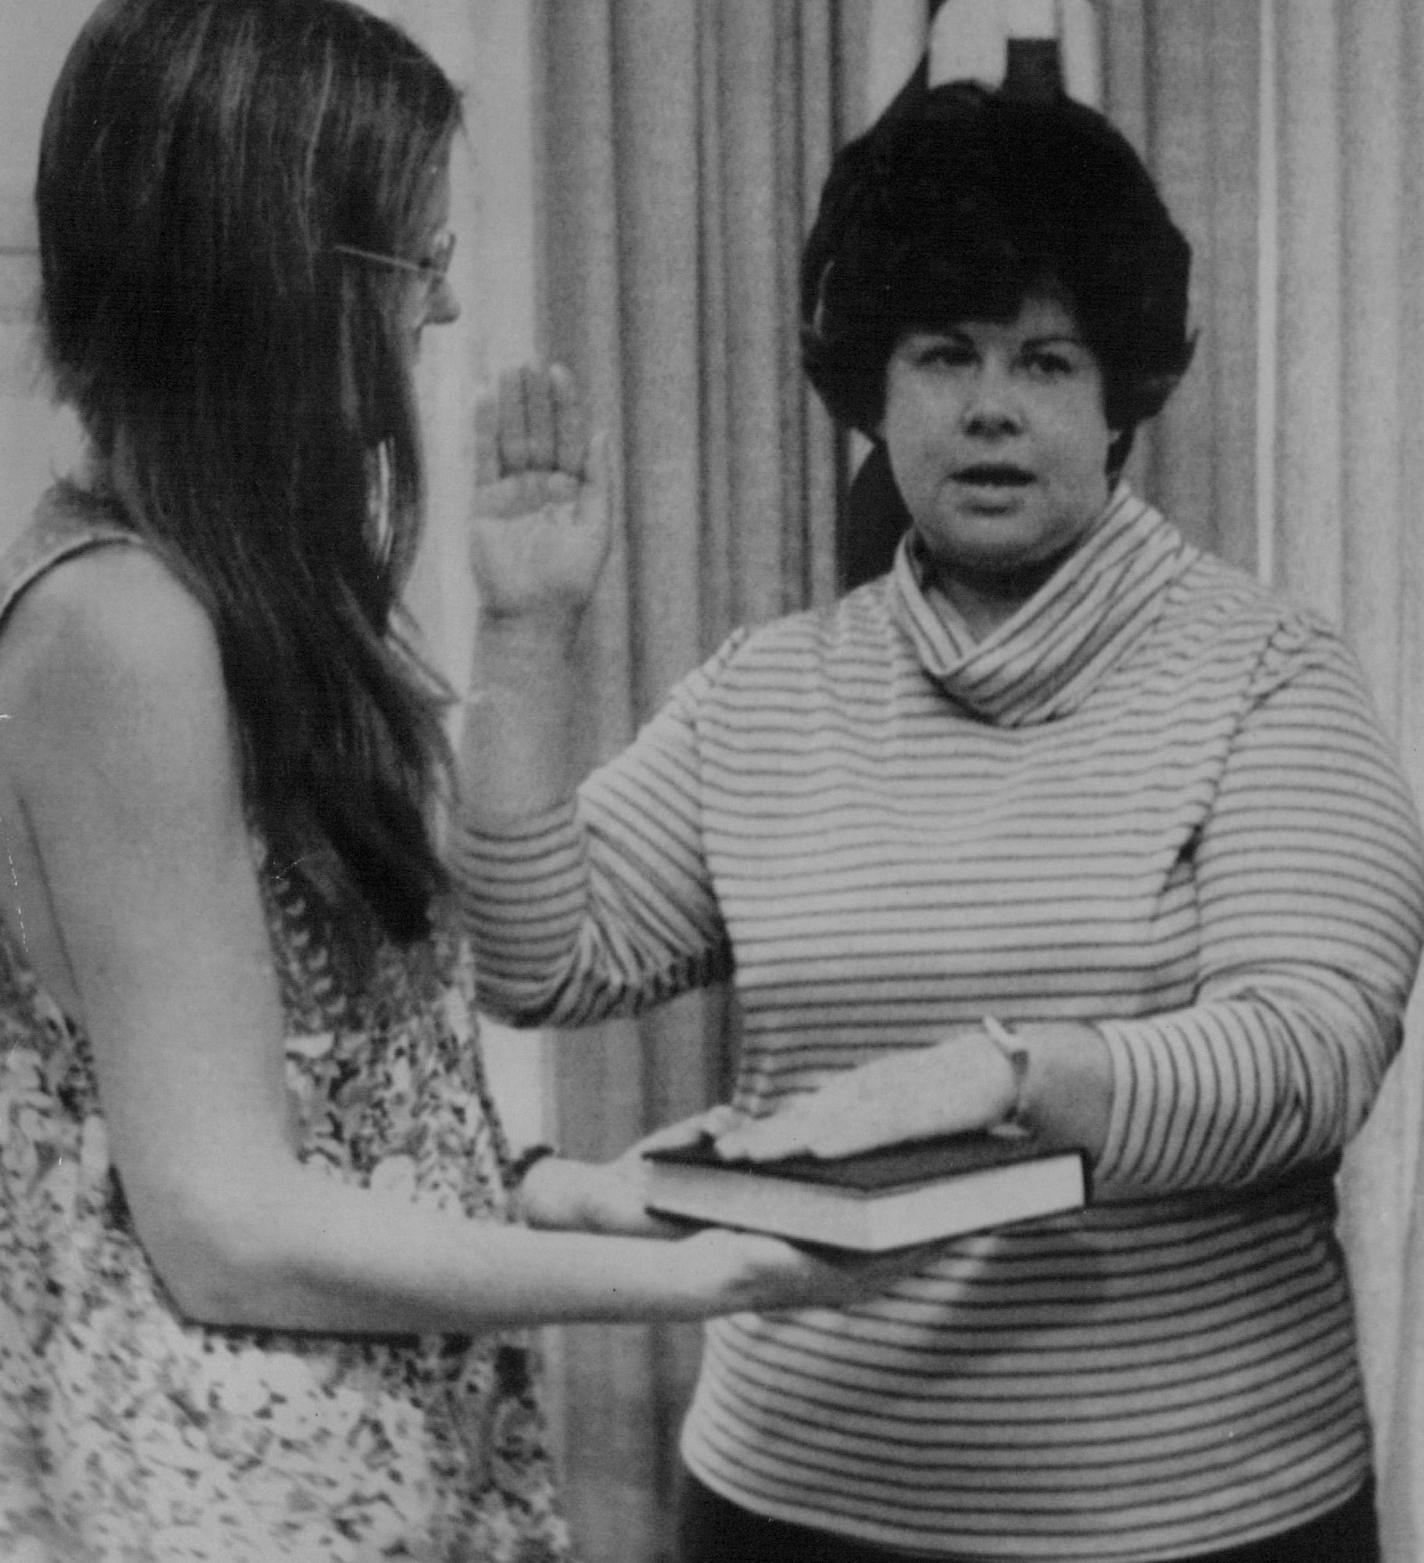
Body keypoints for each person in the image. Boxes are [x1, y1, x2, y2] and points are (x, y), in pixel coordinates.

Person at [0, 3, 933, 1559]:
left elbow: (353, 1087)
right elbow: (229, 1227)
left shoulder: (217, 593)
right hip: (239, 1496)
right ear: (271, 270)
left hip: (349, 1462)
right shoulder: (122, 629)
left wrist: (577, 1190)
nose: (437, 319)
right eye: (413, 266)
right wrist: (687, 1282)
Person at [455, 81, 1424, 1562]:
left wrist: (995, 1075)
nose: (990, 404)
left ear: (1123, 401)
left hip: (1196, 1517)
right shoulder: (766, 692)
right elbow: (540, 963)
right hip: (788, 1507)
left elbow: (1307, 1057)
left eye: (1046, 359)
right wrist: (525, 640)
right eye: (943, 353)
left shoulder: (1268, 672)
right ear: (869, 390)